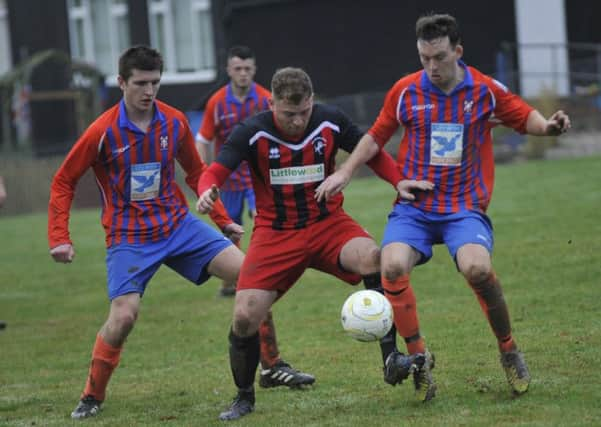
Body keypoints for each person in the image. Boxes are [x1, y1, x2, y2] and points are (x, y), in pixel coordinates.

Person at [47, 46, 312, 421]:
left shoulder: (172, 122)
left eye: (155, 82)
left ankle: (270, 366)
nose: (149, 91)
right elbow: (63, 181)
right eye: (140, 83)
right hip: (129, 236)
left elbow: (196, 173)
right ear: (122, 82)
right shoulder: (102, 131)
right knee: (123, 318)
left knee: (254, 277)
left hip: (178, 225)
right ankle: (92, 396)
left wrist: (222, 219)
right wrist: (60, 236)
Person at [316, 13, 571, 401]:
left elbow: (523, 116)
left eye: (439, 57)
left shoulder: (483, 90)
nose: (431, 67)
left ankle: (508, 349)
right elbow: (374, 138)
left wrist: (548, 127)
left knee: (477, 269)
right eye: (424, 58)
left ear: (458, 51)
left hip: (463, 207)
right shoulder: (405, 91)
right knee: (392, 265)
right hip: (414, 208)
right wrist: (346, 171)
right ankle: (420, 362)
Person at [196, 67, 424, 421]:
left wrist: (398, 181)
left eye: (303, 112)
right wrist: (206, 190)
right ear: (271, 103)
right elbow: (214, 171)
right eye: (289, 114)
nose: (298, 121)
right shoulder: (251, 131)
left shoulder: (330, 121)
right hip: (275, 234)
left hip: (327, 225)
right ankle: (244, 397)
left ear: (312, 101)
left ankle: (391, 359)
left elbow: (373, 152)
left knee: (374, 258)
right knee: (244, 317)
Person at [196, 45, 269, 298]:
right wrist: (203, 174)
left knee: (262, 218)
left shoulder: (265, 99)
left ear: (254, 70)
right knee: (230, 228)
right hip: (227, 182)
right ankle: (230, 279)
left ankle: (264, 272)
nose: (243, 74)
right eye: (238, 68)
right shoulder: (216, 102)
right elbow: (203, 139)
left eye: (248, 69)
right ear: (229, 70)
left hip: (257, 178)